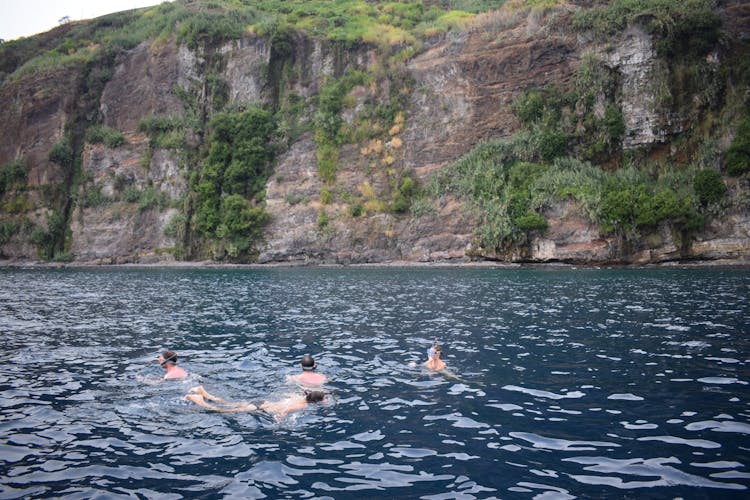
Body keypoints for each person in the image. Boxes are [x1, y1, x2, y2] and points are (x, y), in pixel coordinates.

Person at [185, 385, 326, 417]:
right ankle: (198, 399)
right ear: (315, 401)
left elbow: (302, 392)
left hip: (261, 402)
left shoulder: (299, 396)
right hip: (258, 409)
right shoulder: (302, 405)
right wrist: (280, 420)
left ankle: (202, 391)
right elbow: (286, 410)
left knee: (227, 403)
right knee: (223, 411)